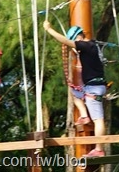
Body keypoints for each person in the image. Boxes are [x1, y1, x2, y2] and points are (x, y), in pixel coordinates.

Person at [43, 21, 106, 158]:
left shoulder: (86, 45)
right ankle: (84, 115)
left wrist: (49, 30)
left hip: (94, 88)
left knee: (98, 119)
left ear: (78, 37)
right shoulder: (92, 45)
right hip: (94, 85)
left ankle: (99, 149)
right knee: (75, 92)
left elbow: (65, 41)